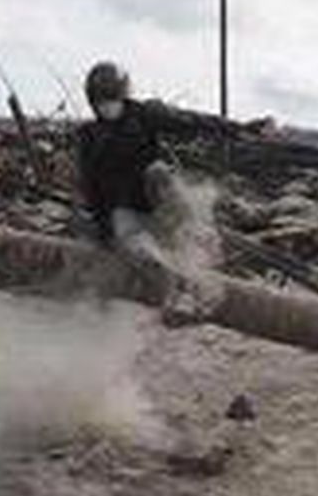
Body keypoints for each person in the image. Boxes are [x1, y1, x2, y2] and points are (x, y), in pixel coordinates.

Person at [75, 62, 218, 321]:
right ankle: (176, 293)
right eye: (101, 100)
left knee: (157, 170)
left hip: (161, 205)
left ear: (123, 94)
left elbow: (193, 122)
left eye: (112, 98)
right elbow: (91, 188)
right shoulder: (89, 136)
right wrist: (104, 233)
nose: (107, 105)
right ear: (92, 101)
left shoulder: (145, 114)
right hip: (127, 213)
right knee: (141, 251)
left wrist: (244, 128)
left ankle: (191, 237)